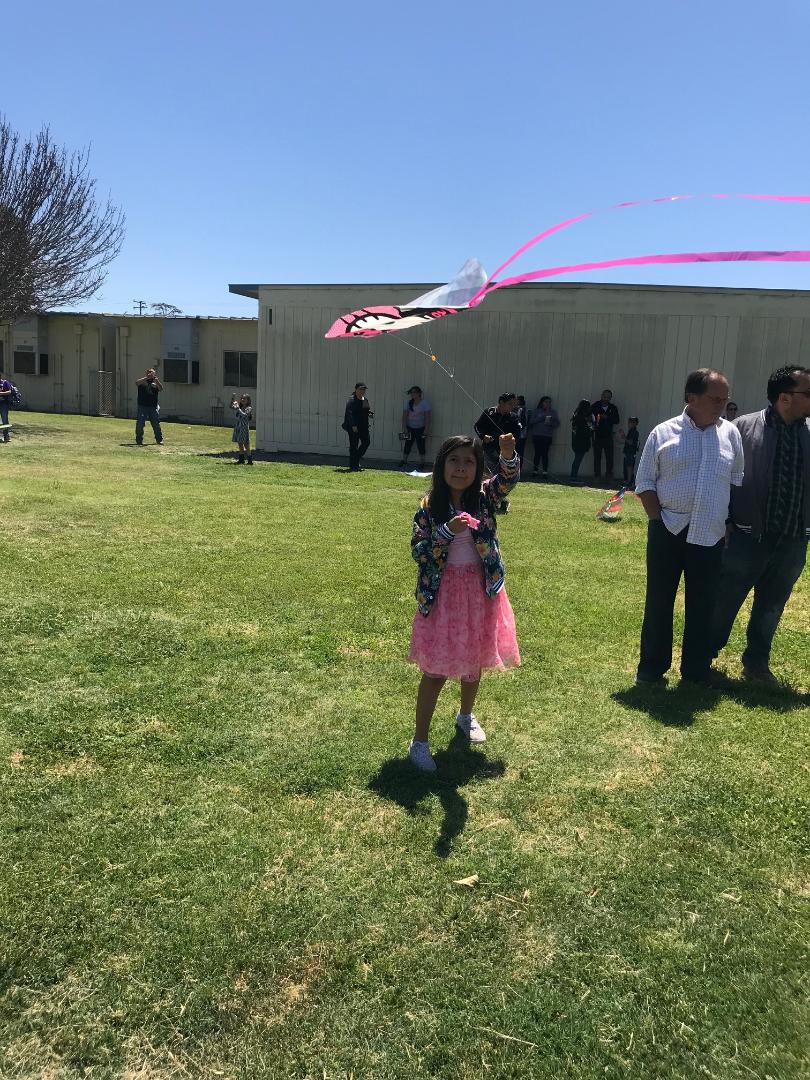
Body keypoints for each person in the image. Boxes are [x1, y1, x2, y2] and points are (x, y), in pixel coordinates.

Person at [407, 432, 521, 772]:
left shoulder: (484, 498)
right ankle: (420, 742)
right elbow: (418, 550)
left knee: (474, 657)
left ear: (478, 468)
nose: (460, 468)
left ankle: (466, 716)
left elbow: (506, 482)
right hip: (443, 596)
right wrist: (446, 532)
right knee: (437, 669)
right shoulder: (429, 508)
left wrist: (507, 454)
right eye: (453, 461)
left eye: (468, 462)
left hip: (480, 591)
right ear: (441, 466)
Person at [634, 368, 744, 687]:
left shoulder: (730, 435)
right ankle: (652, 669)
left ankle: (696, 671)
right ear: (691, 398)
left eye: (725, 399)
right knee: (659, 601)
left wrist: (727, 523)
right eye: (715, 399)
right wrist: (658, 521)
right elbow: (644, 483)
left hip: (710, 534)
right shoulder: (663, 433)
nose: (721, 405)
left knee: (704, 604)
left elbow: (736, 482)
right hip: (668, 529)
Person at [712, 365, 810, 684]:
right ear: (785, 397)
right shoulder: (741, 428)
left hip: (793, 539)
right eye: (807, 393)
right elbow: (720, 477)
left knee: (772, 606)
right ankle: (703, 656)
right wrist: (725, 519)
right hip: (746, 536)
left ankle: (756, 664)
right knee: (725, 599)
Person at [474, 393, 521, 473]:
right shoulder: (489, 412)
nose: (512, 407)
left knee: (503, 474)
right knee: (488, 473)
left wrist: (510, 441)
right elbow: (477, 426)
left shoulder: (513, 417)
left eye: (514, 404)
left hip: (504, 451)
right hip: (488, 449)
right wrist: (483, 436)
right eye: (510, 404)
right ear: (501, 402)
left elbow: (517, 433)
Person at [399, 385, 431, 470]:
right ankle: (404, 460)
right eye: (411, 393)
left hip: (420, 428)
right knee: (408, 444)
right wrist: (405, 428)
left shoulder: (425, 403)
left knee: (421, 445)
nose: (412, 394)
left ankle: (422, 462)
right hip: (410, 428)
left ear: (419, 393)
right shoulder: (409, 403)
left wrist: (426, 430)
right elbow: (404, 416)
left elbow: (428, 418)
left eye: (414, 392)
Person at [343, 382, 372, 472]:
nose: (362, 391)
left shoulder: (365, 400)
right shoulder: (351, 400)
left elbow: (366, 410)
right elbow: (349, 413)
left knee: (366, 442)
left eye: (364, 389)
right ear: (356, 389)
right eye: (360, 389)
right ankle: (353, 466)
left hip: (363, 426)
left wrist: (369, 413)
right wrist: (353, 425)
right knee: (354, 446)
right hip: (353, 427)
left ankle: (356, 459)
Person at [527, 395, 559, 477]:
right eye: (546, 402)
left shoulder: (553, 412)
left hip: (547, 436)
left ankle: (545, 472)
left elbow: (557, 424)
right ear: (542, 403)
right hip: (537, 435)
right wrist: (541, 418)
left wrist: (551, 422)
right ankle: (535, 471)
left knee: (545, 454)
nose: (548, 404)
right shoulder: (536, 411)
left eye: (549, 402)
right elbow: (531, 422)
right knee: (537, 453)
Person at [591, 389, 620, 480]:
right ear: (601, 396)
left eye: (608, 397)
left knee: (609, 457)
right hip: (597, 435)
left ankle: (609, 476)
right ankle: (597, 476)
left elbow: (617, 420)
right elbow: (588, 417)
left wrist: (607, 417)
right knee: (597, 457)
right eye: (604, 396)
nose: (606, 398)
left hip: (608, 436)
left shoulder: (613, 407)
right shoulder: (595, 406)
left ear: (610, 398)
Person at [135, 368, 163, 445]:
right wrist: (146, 378)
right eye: (148, 372)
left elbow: (161, 389)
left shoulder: (155, 383)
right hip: (142, 406)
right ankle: (139, 440)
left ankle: (159, 439)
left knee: (156, 424)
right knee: (140, 424)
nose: (150, 374)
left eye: (152, 373)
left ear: (154, 374)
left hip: (153, 407)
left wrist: (156, 380)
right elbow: (137, 383)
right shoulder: (143, 382)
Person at [570, 399, 594, 482]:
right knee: (577, 460)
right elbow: (590, 428)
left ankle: (573, 476)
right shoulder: (585, 417)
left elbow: (574, 430)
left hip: (576, 440)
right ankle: (573, 477)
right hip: (582, 441)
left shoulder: (576, 416)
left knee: (577, 459)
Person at [231, 394, 253, 464]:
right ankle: (241, 459)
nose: (242, 400)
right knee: (240, 443)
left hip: (244, 428)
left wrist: (238, 409)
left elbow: (244, 415)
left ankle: (250, 460)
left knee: (246, 444)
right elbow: (231, 406)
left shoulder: (249, 408)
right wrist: (232, 400)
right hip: (238, 427)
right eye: (242, 398)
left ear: (248, 400)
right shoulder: (240, 407)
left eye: (244, 399)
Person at [621, 416, 640, 486]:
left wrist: (624, 437)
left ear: (635, 424)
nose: (629, 424)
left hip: (630, 452)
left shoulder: (633, 432)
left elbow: (630, 442)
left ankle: (629, 481)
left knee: (629, 466)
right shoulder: (632, 431)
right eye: (629, 422)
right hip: (629, 451)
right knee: (628, 466)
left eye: (631, 422)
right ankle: (629, 481)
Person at [514, 395, 528, 463]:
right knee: (518, 453)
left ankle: (517, 470)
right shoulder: (525, 409)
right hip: (521, 435)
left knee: (517, 453)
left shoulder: (521, 410)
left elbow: (524, 423)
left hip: (520, 435)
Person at [0, 373, 13, 443]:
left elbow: (9, 391)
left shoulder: (5, 382)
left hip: (3, 404)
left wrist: (1, 393)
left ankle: (6, 436)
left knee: (5, 420)